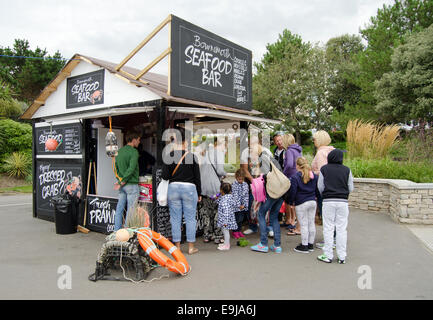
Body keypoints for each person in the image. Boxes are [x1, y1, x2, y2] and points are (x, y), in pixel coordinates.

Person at [161, 127, 202, 255]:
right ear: (185, 142)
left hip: (173, 189)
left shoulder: (169, 156)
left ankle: (177, 248)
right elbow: (197, 177)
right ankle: (191, 248)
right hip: (190, 189)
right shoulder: (192, 156)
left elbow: (165, 176)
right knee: (190, 219)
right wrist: (199, 193)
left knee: (175, 218)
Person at [317, 149, 354, 264]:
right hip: (343, 202)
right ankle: (342, 256)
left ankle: (327, 255)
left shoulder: (324, 169)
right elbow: (351, 187)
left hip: (328, 201)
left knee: (328, 228)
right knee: (342, 229)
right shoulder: (347, 170)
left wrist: (326, 195)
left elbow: (320, 186)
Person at [286, 157, 319, 253]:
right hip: (312, 202)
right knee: (311, 223)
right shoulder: (314, 176)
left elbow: (293, 191)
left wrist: (291, 202)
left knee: (304, 224)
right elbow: (317, 190)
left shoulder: (295, 177)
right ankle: (310, 244)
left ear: (297, 166)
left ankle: (304, 246)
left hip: (301, 202)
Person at [197, 139, 225, 244]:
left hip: (204, 188)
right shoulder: (219, 154)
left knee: (206, 213)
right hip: (215, 188)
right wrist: (224, 174)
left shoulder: (205, 155)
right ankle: (217, 236)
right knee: (217, 212)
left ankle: (207, 235)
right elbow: (220, 171)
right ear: (221, 145)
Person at [113, 130, 141, 231]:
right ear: (133, 140)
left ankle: (116, 231)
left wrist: (120, 180)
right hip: (131, 185)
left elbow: (115, 168)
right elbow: (131, 168)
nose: (139, 142)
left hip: (122, 186)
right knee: (131, 210)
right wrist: (124, 180)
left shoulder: (119, 152)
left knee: (119, 209)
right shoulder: (134, 152)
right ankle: (127, 233)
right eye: (138, 140)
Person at [311, 130, 335, 224]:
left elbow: (323, 171)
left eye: (314, 139)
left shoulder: (321, 153)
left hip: (323, 187)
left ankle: (330, 236)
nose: (313, 141)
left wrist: (312, 172)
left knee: (325, 213)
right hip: (334, 185)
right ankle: (335, 235)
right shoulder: (332, 151)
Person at [282, 134, 302, 236]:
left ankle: (292, 222)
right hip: (298, 177)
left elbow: (289, 164)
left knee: (290, 202)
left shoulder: (289, 151)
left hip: (290, 178)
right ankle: (294, 223)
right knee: (295, 202)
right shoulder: (298, 150)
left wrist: (283, 173)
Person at [215, 182, 239, 251]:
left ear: (221, 190)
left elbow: (226, 211)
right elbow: (218, 201)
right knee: (224, 231)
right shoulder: (229, 197)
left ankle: (227, 245)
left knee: (226, 232)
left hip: (225, 219)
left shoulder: (224, 200)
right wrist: (217, 198)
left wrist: (225, 222)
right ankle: (225, 243)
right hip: (228, 218)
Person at [231, 169, 249, 239]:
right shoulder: (234, 185)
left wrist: (244, 204)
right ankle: (235, 231)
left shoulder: (245, 185)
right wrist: (239, 205)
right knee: (237, 219)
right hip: (236, 206)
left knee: (241, 219)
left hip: (243, 206)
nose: (240, 181)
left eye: (242, 179)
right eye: (239, 179)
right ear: (236, 177)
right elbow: (235, 196)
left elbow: (246, 195)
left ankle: (239, 230)